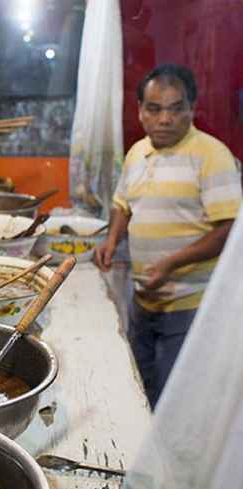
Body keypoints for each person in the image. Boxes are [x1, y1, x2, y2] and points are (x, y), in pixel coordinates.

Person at [95, 64, 242, 408]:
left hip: (190, 306)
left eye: (176, 109)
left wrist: (172, 263)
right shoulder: (137, 152)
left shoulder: (211, 155)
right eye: (155, 108)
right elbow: (121, 203)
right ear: (140, 111)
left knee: (176, 399)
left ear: (192, 109)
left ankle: (168, 462)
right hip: (143, 301)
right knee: (139, 385)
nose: (165, 119)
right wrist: (112, 240)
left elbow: (229, 230)